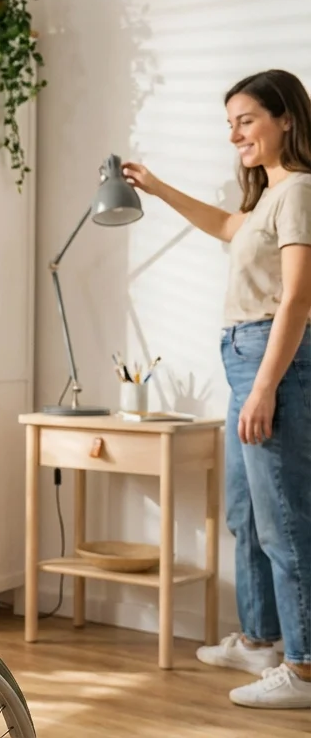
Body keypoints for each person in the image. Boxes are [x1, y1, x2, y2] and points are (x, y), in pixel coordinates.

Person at [124, 69, 311, 710]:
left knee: (284, 521)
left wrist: (264, 388)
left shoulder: (301, 192)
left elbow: (297, 299)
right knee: (245, 513)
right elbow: (228, 228)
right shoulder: (267, 198)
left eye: (247, 120)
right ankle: (262, 640)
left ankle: (305, 667)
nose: (235, 134)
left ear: (286, 118)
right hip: (242, 358)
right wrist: (156, 186)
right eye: (229, 123)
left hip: (270, 359)